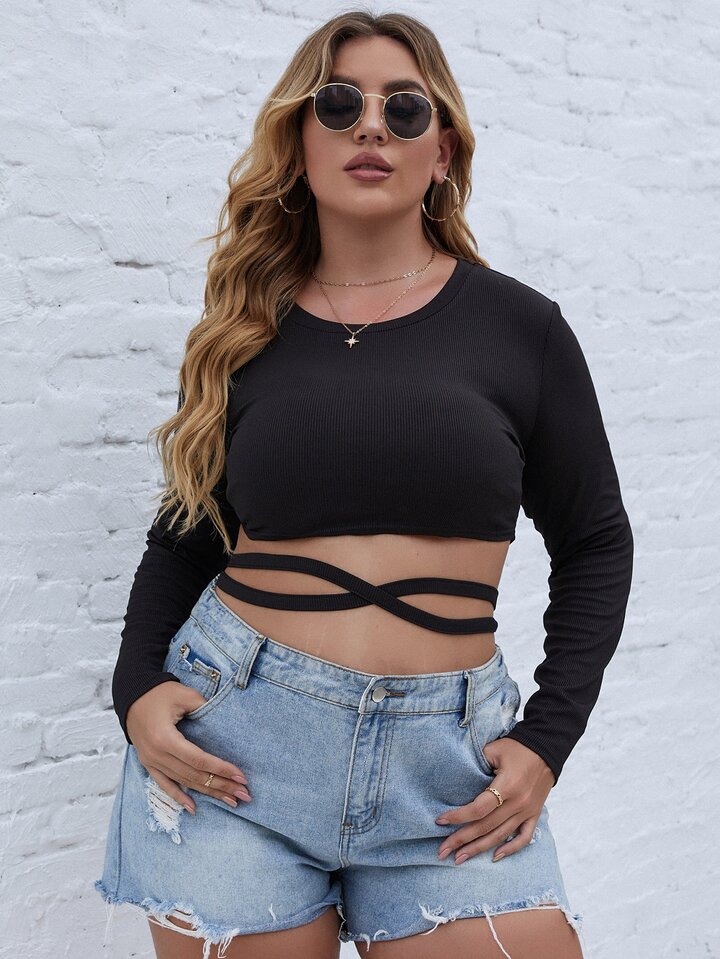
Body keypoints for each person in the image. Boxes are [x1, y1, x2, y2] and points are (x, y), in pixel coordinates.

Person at [94, 10, 633, 959]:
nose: (371, 125)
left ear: (443, 150)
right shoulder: (243, 332)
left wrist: (548, 738)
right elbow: (185, 533)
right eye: (339, 104)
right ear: (300, 143)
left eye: (405, 108)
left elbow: (595, 543)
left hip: (446, 773)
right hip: (237, 748)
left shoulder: (523, 329)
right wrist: (136, 688)